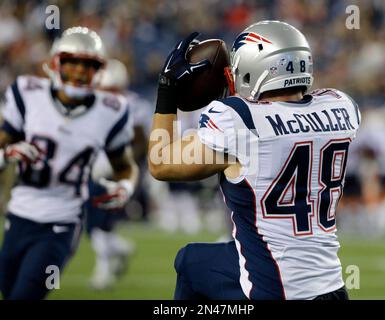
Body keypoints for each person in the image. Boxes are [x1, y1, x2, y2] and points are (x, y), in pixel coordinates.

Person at [148, 21, 361, 300]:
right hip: (331, 288)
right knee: (195, 261)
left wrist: (166, 92)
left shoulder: (240, 119)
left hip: (275, 289)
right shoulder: (341, 106)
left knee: (190, 262)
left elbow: (160, 161)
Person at [0, 27, 138, 300]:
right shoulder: (27, 93)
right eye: (72, 63)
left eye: (87, 65)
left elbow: (125, 166)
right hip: (18, 217)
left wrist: (125, 187)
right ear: (56, 63)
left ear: (98, 70)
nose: (79, 72)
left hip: (61, 224)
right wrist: (6, 156)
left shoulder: (110, 111)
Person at [86, 58, 152, 289]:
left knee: (100, 221)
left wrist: (119, 165)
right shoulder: (92, 104)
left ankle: (103, 271)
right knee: (96, 222)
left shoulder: (134, 105)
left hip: (120, 173)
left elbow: (142, 144)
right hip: (95, 169)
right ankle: (120, 248)